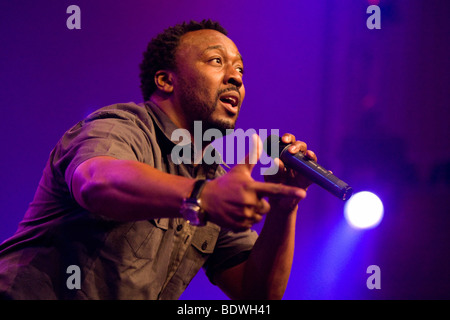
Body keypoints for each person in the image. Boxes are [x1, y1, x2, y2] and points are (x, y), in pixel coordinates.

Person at [0, 19, 317, 300]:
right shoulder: (122, 125)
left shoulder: (212, 176)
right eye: (216, 61)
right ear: (166, 80)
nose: (235, 78)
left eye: (240, 70)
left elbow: (257, 293)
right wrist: (201, 196)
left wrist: (284, 204)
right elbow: (95, 182)